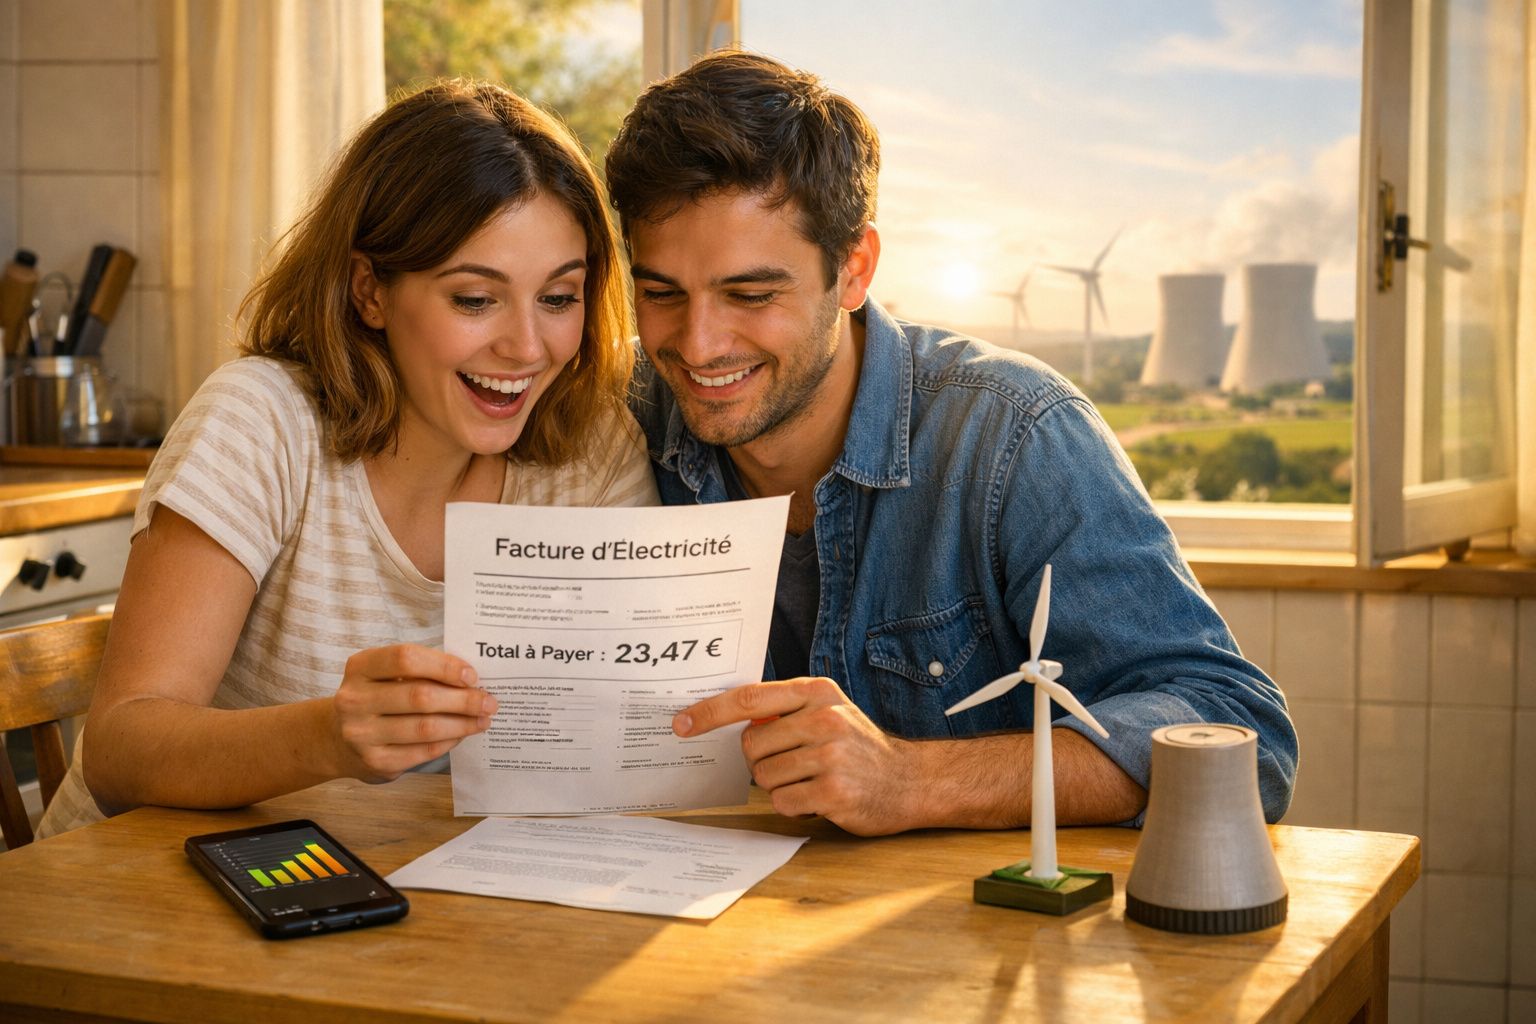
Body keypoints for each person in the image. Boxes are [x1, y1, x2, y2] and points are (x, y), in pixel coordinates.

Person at [606, 51, 1296, 837]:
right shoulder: (615, 415)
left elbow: (1240, 733)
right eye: (660, 293)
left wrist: (912, 781)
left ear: (855, 269)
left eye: (751, 294)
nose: (697, 346)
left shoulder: (1015, 432)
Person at [39, 80, 657, 837]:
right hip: (134, 897)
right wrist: (330, 737)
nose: (526, 349)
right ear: (370, 291)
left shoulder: (592, 450)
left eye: (559, 299)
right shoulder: (261, 423)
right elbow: (118, 751)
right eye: (474, 299)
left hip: (400, 895)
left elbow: (623, 738)